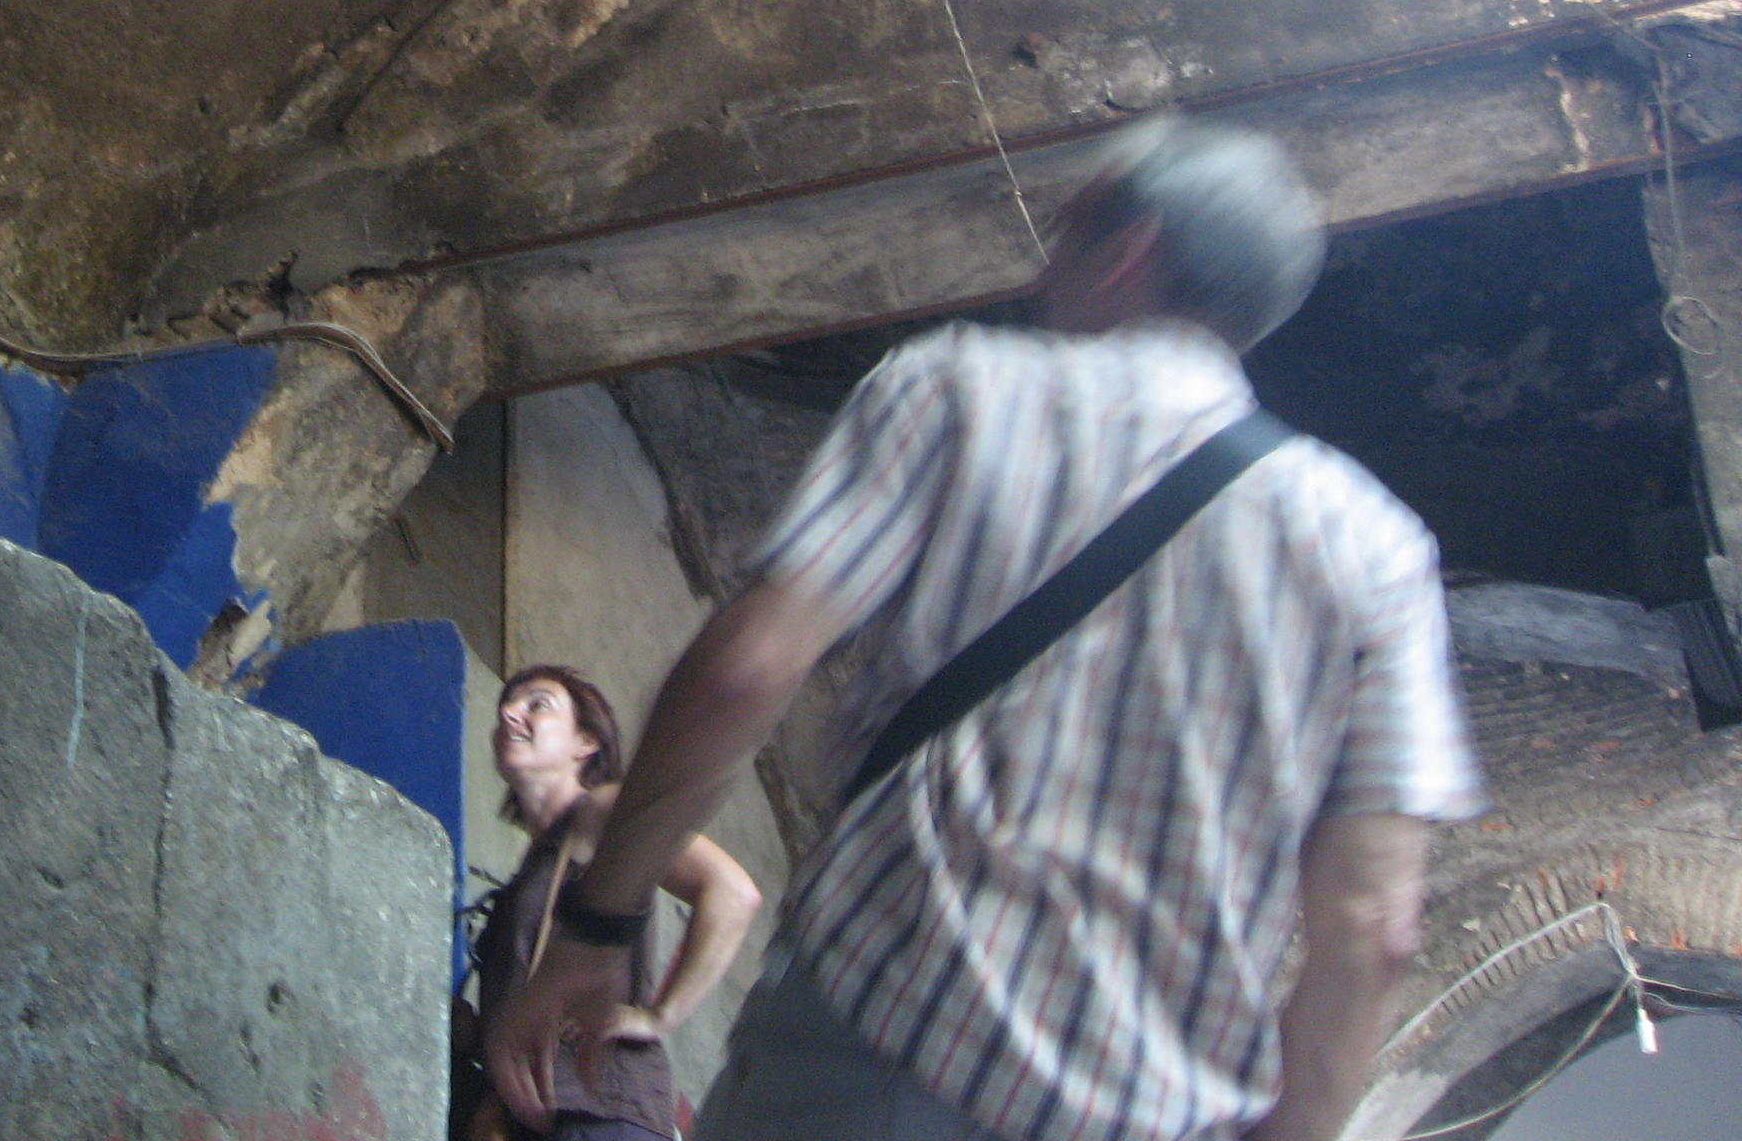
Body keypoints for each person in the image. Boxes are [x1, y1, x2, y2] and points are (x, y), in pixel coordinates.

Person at [487, 116, 1484, 1141]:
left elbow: (745, 669)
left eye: (1068, 230)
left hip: (875, 1059)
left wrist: (599, 924)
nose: (1045, 267)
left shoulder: (962, 388)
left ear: (1128, 249)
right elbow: (1372, 929)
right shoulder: (1378, 553)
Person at [462, 664, 763, 1140]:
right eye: (507, 705)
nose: (510, 713)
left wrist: (659, 1016)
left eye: (537, 704)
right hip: (543, 1119)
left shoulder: (599, 810)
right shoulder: (533, 869)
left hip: (603, 1115)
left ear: (586, 742)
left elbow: (732, 892)